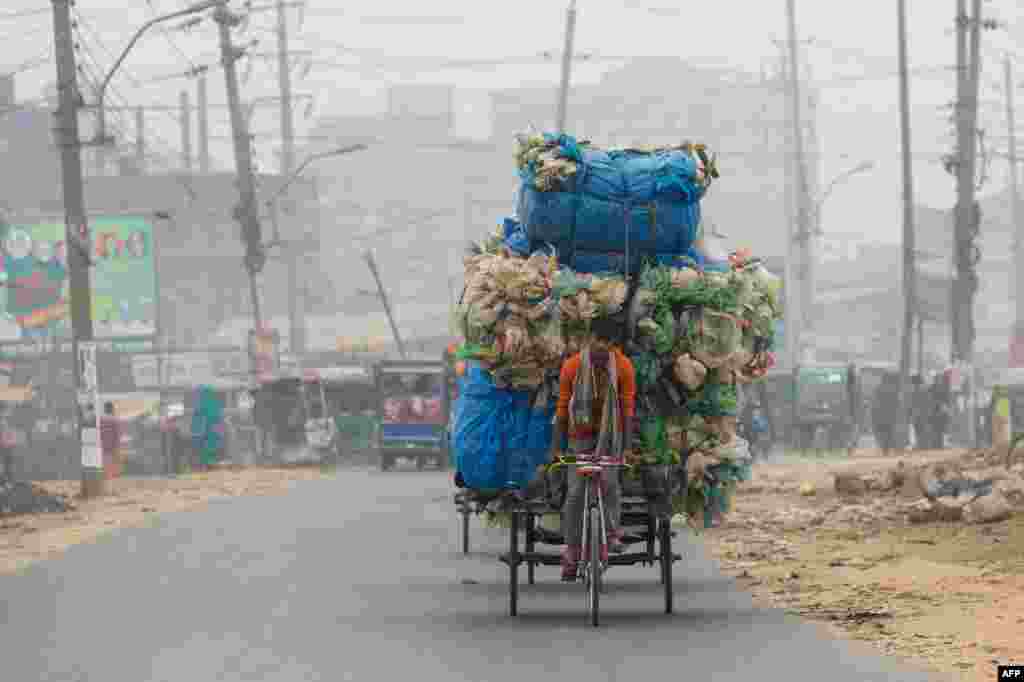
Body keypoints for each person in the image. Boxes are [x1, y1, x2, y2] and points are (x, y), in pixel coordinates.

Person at [551, 316, 637, 582]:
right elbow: (563, 411)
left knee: (610, 485)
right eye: (597, 340)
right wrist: (557, 449)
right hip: (580, 436)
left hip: (611, 436)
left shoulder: (623, 367)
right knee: (575, 493)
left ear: (613, 345)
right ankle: (573, 550)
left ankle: (611, 534)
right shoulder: (572, 366)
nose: (601, 347)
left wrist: (626, 448)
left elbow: (626, 411)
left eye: (607, 342)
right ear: (589, 339)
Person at [871, 373, 901, 456]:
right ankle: (887, 448)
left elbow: (874, 403)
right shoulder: (893, 390)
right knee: (888, 433)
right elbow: (897, 403)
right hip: (889, 416)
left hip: (881, 416)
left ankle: (885, 448)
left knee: (883, 433)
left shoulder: (878, 389)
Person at [99, 401, 122, 480]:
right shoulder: (115, 420)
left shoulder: (100, 420)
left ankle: (105, 476)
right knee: (111, 463)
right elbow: (117, 434)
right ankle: (109, 477)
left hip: (102, 445)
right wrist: (117, 445)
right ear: (112, 409)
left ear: (105, 409)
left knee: (104, 462)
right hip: (112, 445)